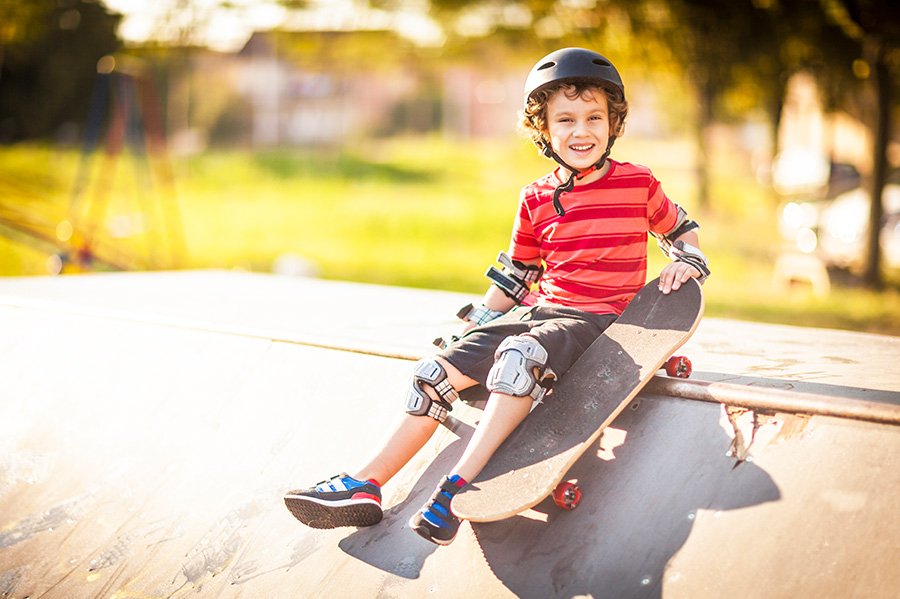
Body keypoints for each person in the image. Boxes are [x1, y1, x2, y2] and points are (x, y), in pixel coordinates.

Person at [283, 47, 710, 546]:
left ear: (613, 123)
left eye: (595, 118)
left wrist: (688, 260)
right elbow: (516, 276)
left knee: (517, 357)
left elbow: (680, 228)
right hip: (541, 313)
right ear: (544, 130)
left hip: (600, 323)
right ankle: (365, 485)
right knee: (431, 376)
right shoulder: (535, 197)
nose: (582, 131)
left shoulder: (638, 183)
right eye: (566, 119)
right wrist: (479, 322)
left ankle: (455, 486)